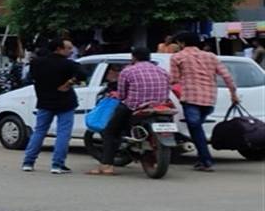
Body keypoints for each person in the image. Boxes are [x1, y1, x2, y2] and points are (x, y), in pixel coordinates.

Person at [88, 47, 170, 176]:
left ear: (134, 57)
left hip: (134, 107)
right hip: (158, 107)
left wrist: (116, 94)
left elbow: (121, 94)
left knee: (110, 132)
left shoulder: (128, 71)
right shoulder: (162, 71)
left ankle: (106, 166)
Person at [170, 31, 238, 172]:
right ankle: (203, 158)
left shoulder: (177, 57)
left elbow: (174, 80)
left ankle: (205, 160)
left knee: (195, 128)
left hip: (190, 98)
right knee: (197, 128)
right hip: (209, 99)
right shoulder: (211, 56)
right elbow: (227, 76)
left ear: (182, 43)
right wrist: (233, 94)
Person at [21, 38, 85, 174]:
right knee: (63, 133)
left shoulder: (36, 63)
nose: (71, 51)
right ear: (59, 48)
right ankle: (57, 164)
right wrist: (69, 83)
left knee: (39, 131)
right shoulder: (68, 64)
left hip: (44, 101)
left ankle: (28, 161)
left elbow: (31, 78)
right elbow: (83, 74)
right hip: (65, 102)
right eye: (68, 48)